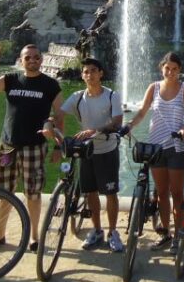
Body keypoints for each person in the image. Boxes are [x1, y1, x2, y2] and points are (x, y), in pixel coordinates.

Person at [0, 42, 64, 252]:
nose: (32, 60)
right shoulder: (11, 80)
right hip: (8, 146)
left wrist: (59, 145)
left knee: (33, 193)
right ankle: (0, 235)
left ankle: (34, 237)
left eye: (36, 57)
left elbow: (60, 117)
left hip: (34, 147)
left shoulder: (51, 85)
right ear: (21, 60)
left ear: (41, 60)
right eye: (27, 57)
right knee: (4, 192)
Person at [42, 57, 124, 252]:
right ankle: (97, 230)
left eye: (93, 70)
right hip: (86, 151)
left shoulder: (112, 96)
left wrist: (94, 131)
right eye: (86, 71)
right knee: (90, 192)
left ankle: (113, 232)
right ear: (82, 75)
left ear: (101, 73)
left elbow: (117, 122)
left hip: (107, 150)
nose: (90, 75)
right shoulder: (77, 97)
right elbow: (58, 115)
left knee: (111, 193)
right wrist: (49, 125)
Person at [126, 52, 184, 253]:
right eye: (167, 68)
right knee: (162, 193)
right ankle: (166, 233)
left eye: (175, 69)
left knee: (177, 193)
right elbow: (142, 112)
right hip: (156, 147)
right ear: (161, 68)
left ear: (179, 70)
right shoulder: (153, 88)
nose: (171, 72)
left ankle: (179, 237)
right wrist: (129, 125)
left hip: (177, 147)